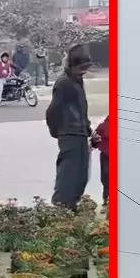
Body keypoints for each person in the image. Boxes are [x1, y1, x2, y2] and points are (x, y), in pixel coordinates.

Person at [46, 45, 93, 210]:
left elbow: (81, 109)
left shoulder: (77, 80)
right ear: (72, 65)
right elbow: (52, 111)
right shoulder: (64, 83)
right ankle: (61, 207)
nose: (83, 72)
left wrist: (88, 130)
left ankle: (73, 205)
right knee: (68, 174)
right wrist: (57, 131)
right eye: (81, 68)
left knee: (82, 175)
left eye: (85, 69)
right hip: (68, 134)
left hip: (80, 134)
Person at [91, 115, 110, 206]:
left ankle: (107, 200)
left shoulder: (102, 126)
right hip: (105, 155)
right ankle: (106, 200)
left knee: (106, 177)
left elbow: (94, 142)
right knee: (106, 177)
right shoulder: (102, 126)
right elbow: (94, 141)